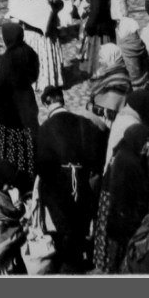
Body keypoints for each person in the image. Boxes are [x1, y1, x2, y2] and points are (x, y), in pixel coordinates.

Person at [36, 85, 107, 271]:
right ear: (63, 100)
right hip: (84, 187)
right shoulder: (84, 123)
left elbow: (40, 167)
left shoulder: (43, 130)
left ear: (46, 104)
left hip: (57, 192)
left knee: (63, 230)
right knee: (80, 225)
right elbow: (98, 156)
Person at [92, 123, 149, 273]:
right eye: (146, 141)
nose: (147, 145)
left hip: (113, 208)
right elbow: (134, 192)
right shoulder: (129, 161)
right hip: (121, 213)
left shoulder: (123, 150)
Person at [0, 22, 40, 181]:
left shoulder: (8, 58)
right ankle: (27, 174)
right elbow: (34, 75)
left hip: (9, 107)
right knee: (26, 141)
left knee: (9, 146)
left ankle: (11, 178)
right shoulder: (29, 52)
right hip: (26, 101)